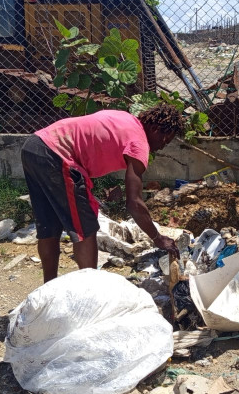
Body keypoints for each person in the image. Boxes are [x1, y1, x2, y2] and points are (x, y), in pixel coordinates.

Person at [21, 105, 185, 284]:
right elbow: (134, 203)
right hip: (57, 154)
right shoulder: (139, 142)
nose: (162, 146)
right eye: (165, 139)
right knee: (85, 227)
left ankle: (49, 288)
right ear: (155, 129)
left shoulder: (125, 118)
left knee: (49, 225)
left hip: (34, 145)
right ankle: (93, 292)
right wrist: (157, 237)